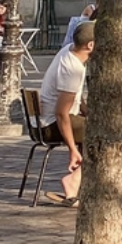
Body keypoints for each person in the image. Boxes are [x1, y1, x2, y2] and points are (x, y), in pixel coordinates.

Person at [40, 21, 96, 205]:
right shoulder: (73, 69)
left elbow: (76, 100)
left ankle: (80, 181)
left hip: (59, 117)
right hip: (51, 124)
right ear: (90, 45)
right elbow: (62, 113)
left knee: (100, 126)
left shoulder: (67, 51)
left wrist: (89, 113)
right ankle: (72, 180)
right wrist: (72, 149)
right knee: (108, 136)